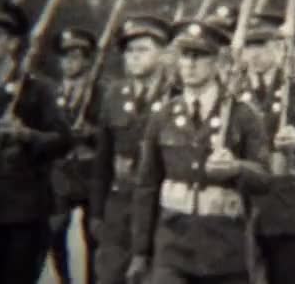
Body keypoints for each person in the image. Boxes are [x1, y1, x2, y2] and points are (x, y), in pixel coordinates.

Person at [128, 20, 270, 284]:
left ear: (216, 62)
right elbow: (146, 186)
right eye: (185, 55)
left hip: (224, 249)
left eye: (200, 56)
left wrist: (237, 168)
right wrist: (140, 251)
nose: (190, 64)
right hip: (172, 247)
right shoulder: (163, 116)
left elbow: (264, 178)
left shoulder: (243, 115)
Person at [0, 1, 71, 284]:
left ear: (13, 43)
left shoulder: (38, 88)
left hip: (20, 213)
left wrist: (26, 135)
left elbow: (63, 140)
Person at [240, 13, 295, 284]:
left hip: (286, 203)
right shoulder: (233, 91)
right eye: (250, 46)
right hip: (244, 203)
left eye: (263, 46)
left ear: (279, 49)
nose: (255, 54)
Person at [89, 15, 171, 284]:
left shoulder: (176, 96)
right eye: (129, 51)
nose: (134, 57)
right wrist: (97, 212)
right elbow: (102, 161)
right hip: (119, 208)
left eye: (143, 50)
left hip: (160, 209)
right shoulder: (114, 94)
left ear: (162, 54)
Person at [48, 27, 101, 284]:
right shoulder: (50, 92)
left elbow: (112, 133)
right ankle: (64, 280)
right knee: (54, 232)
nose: (70, 62)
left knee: (93, 236)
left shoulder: (100, 91)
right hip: (60, 170)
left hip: (90, 170)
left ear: (88, 60)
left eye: (77, 57)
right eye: (66, 57)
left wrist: (92, 132)